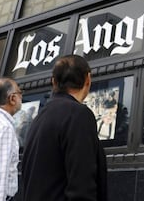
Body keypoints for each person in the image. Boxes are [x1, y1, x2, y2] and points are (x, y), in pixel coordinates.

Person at [21, 55, 108, 201]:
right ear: (88, 79)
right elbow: (82, 183)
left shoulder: (40, 117)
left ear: (53, 81)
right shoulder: (78, 114)